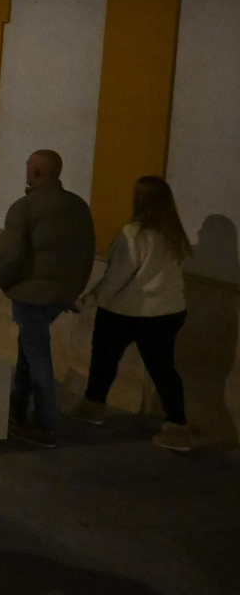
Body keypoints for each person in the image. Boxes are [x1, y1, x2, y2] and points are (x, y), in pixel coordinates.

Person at [68, 175, 194, 451]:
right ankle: (177, 426)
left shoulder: (133, 235)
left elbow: (115, 278)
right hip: (168, 312)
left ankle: (93, 407)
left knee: (104, 359)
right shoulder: (174, 236)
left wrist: (85, 301)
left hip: (125, 312)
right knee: (163, 370)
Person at [0, 149, 96, 447]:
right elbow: (88, 250)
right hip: (60, 295)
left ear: (37, 172)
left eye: (28, 167)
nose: (26, 171)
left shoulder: (25, 208)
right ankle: (17, 412)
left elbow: (8, 255)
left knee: (37, 356)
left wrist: (2, 282)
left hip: (31, 295)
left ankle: (45, 425)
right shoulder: (78, 206)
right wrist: (73, 289)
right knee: (28, 350)